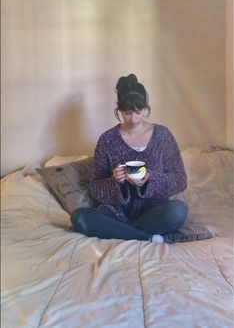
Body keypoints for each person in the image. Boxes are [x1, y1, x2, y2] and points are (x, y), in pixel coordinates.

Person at [71, 74, 211, 244]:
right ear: (118, 108)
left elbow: (180, 180)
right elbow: (95, 188)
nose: (133, 119)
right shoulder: (107, 140)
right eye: (127, 113)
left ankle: (122, 233)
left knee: (178, 211)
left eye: (138, 112)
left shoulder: (162, 136)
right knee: (80, 217)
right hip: (116, 213)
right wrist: (115, 181)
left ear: (146, 108)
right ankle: (152, 238)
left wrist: (150, 179)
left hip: (154, 211)